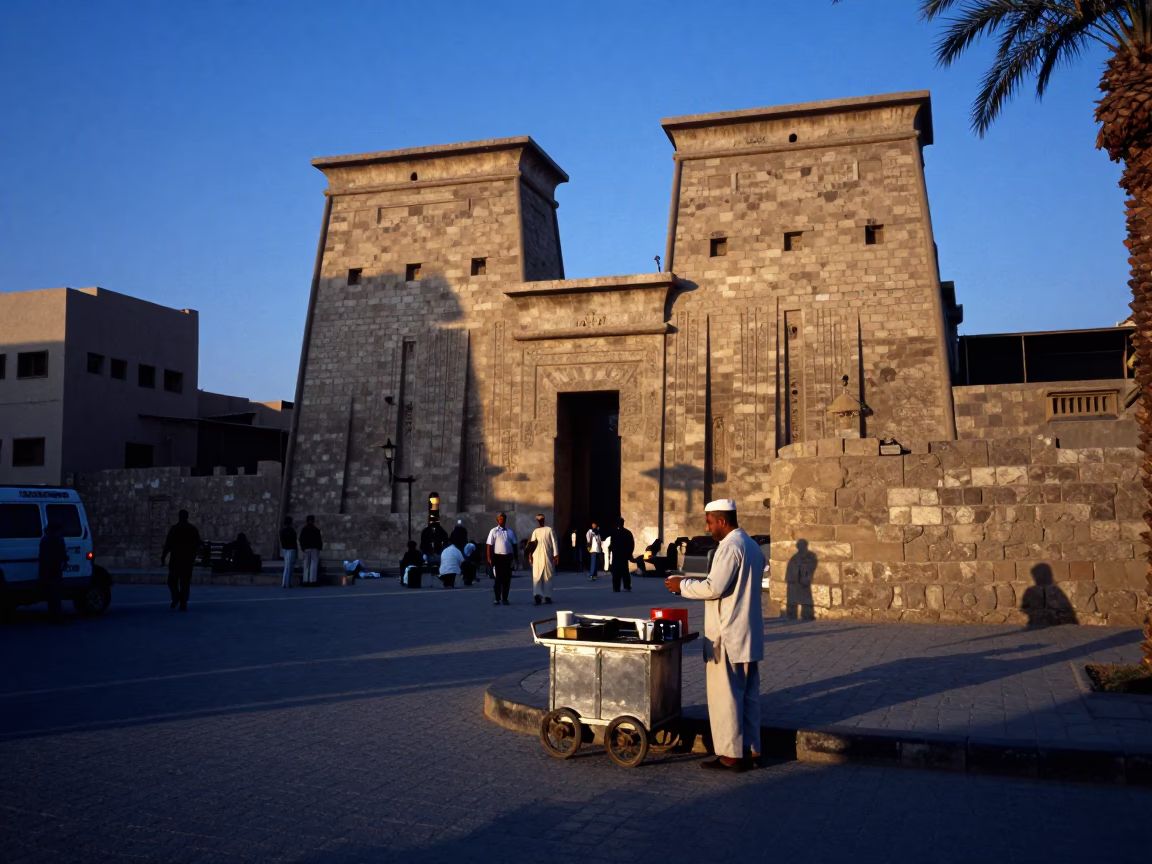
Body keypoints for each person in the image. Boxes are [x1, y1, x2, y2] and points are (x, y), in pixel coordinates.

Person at [664, 499, 764, 773]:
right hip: (747, 632)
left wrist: (681, 584)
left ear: (722, 520)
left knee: (727, 697)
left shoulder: (731, 546)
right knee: (748, 697)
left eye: (709, 522)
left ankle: (732, 755)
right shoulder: (752, 545)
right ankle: (753, 749)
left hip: (728, 635)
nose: (707, 528)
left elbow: (714, 587)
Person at [161, 509, 201, 611]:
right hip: (187, 560)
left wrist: (163, 556)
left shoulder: (174, 529)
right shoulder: (192, 529)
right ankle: (183, 601)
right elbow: (198, 543)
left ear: (179, 516)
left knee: (172, 581)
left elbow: (168, 544)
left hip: (176, 560)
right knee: (185, 582)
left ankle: (176, 597)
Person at [38, 520, 68, 622]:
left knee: (51, 595)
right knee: (55, 594)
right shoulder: (57, 540)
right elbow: (61, 555)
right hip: (55, 570)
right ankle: (56, 616)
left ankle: (53, 615)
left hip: (47, 570)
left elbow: (43, 557)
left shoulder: (45, 539)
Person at [486, 512, 517, 606]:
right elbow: (489, 545)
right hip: (498, 557)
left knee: (507, 579)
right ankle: (497, 598)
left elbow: (514, 545)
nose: (502, 521)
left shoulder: (510, 532)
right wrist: (489, 558)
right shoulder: (493, 531)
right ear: (497, 520)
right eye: (500, 519)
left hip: (508, 557)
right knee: (498, 579)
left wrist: (515, 558)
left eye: (503, 519)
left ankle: (505, 598)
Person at [528, 513, 559, 606]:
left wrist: (555, 555)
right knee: (539, 576)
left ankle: (545, 596)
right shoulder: (537, 531)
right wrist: (530, 556)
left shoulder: (548, 530)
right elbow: (532, 545)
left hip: (545, 556)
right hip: (538, 556)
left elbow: (554, 542)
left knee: (545, 576)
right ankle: (540, 596)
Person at [607, 518, 635, 593]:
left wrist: (611, 550)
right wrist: (629, 554)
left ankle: (616, 587)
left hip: (617, 555)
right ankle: (627, 586)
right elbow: (631, 544)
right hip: (623, 555)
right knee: (625, 571)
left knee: (616, 572)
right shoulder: (627, 533)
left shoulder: (614, 533)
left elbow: (612, 544)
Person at [299, 515, 323, 586]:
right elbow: (319, 540)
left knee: (306, 565)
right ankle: (312, 580)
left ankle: (305, 580)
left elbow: (301, 539)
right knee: (314, 564)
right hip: (314, 549)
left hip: (306, 548)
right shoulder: (316, 530)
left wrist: (302, 547)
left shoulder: (304, 529)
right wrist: (319, 548)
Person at [279, 516, 298, 589]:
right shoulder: (292, 531)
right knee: (290, 567)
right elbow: (294, 542)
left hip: (285, 549)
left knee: (286, 567)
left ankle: (284, 583)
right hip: (291, 549)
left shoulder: (282, 531)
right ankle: (288, 583)